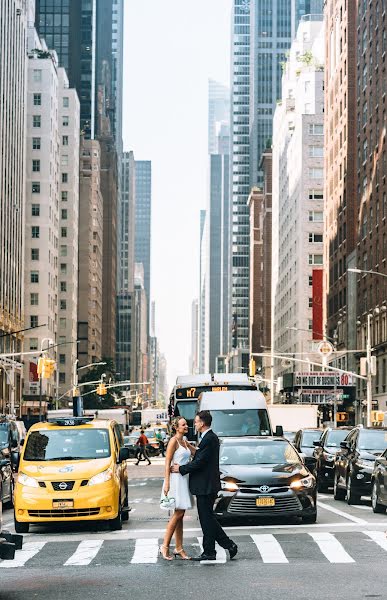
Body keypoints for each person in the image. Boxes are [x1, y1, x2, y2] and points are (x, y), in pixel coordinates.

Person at [171, 410, 238, 562]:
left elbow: (200, 462)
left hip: (206, 485)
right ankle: (220, 547)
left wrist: (181, 469)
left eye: (196, 421)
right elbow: (201, 456)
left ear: (202, 423)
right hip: (206, 484)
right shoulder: (208, 437)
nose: (194, 424)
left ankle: (214, 550)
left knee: (207, 519)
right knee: (208, 519)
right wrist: (191, 449)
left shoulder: (209, 438)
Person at [160, 417, 195, 561]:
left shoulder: (184, 441)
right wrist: (167, 483)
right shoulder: (173, 441)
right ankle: (165, 545)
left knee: (180, 514)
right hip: (174, 480)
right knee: (179, 513)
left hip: (183, 479)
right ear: (176, 427)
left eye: (186, 424)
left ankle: (179, 548)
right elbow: (167, 462)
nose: (186, 426)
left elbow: (196, 452)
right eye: (183, 424)